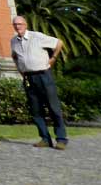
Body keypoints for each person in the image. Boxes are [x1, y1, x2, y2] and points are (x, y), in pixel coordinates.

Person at [10, 15, 68, 149]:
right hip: (28, 77)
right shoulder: (13, 41)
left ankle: (61, 139)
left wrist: (53, 58)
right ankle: (45, 138)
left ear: (25, 24)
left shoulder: (37, 36)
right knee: (35, 110)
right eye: (15, 24)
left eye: (20, 24)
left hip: (43, 75)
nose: (18, 26)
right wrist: (20, 69)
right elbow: (14, 56)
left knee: (53, 107)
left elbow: (59, 43)